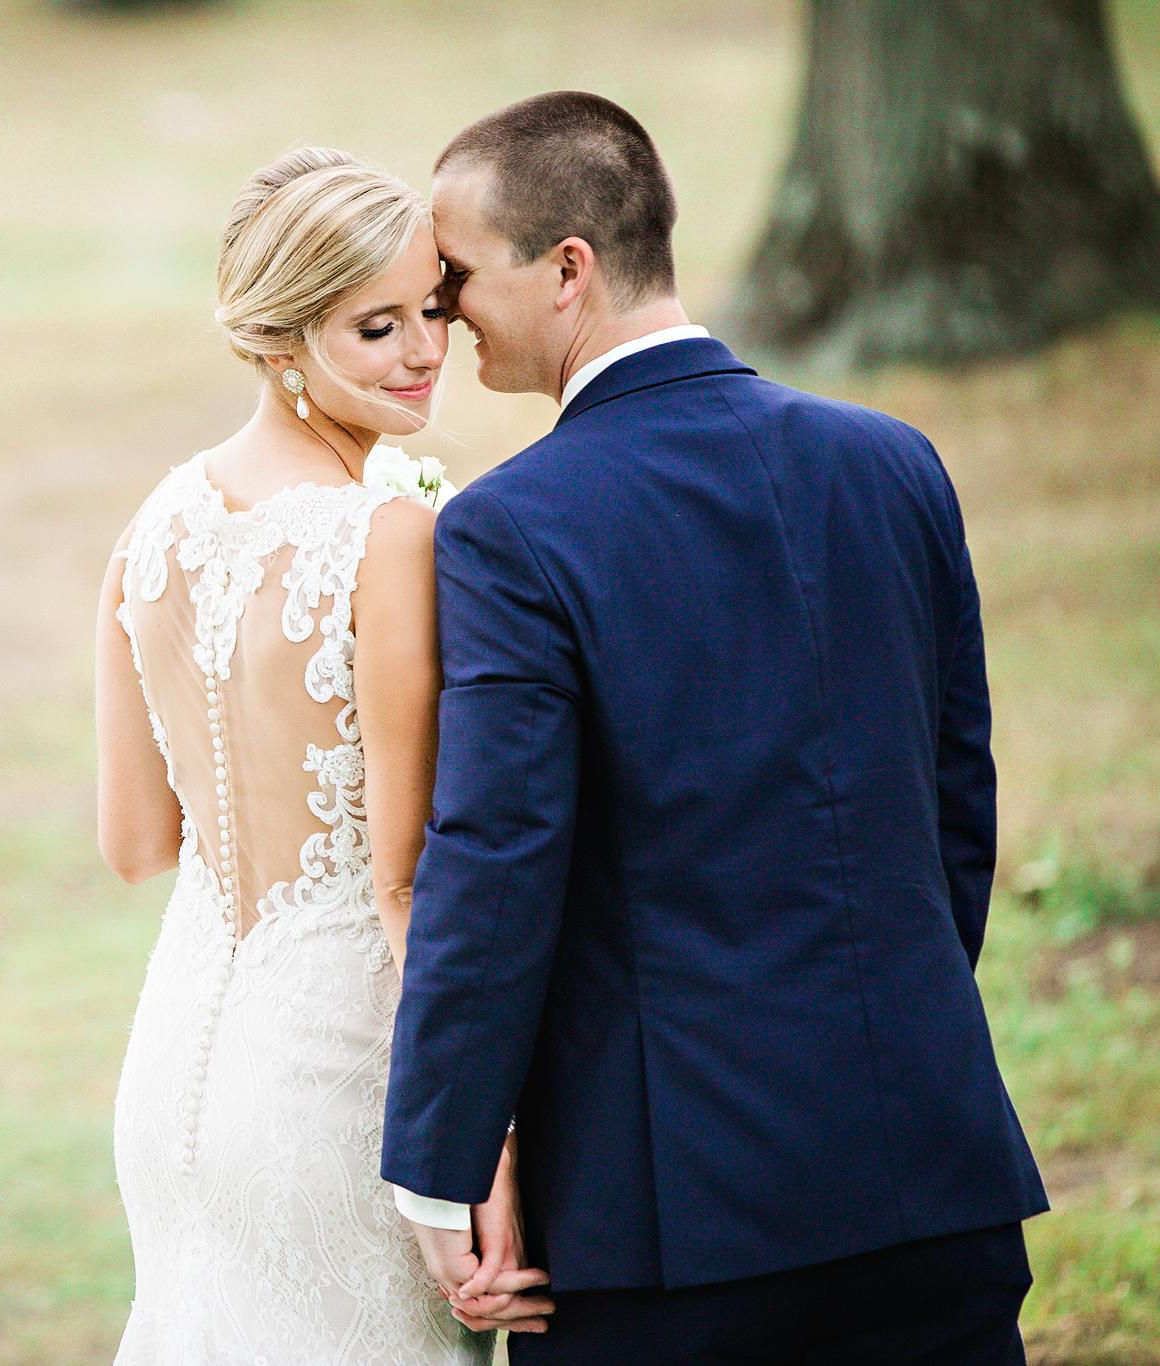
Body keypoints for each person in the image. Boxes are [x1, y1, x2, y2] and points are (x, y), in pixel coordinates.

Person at [382, 91, 1049, 1364]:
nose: (444, 310)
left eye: (458, 275)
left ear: (565, 269)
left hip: (673, 1225)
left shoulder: (511, 528)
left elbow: (497, 855)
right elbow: (952, 808)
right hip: (926, 1165)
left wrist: (439, 1165)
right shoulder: (892, 460)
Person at [94, 146, 550, 1363]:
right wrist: (482, 1147)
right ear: (283, 338)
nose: (422, 352)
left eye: (432, 312)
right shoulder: (385, 536)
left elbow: (133, 843)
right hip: (335, 1081)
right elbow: (404, 884)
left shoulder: (152, 527)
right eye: (375, 327)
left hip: (175, 1065)